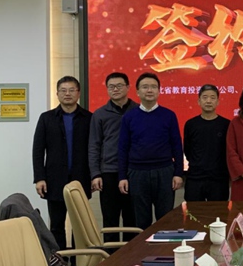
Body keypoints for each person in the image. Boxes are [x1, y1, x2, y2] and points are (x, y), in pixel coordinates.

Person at [32, 75, 92, 250]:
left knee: (80, 226)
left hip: (81, 178)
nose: (67, 94)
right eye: (63, 90)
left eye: (72, 90)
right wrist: (39, 178)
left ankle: (80, 261)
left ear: (78, 93)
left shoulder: (89, 118)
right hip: (54, 179)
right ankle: (60, 261)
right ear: (57, 93)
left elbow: (95, 149)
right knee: (57, 225)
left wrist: (95, 175)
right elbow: (38, 150)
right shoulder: (47, 118)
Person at [118, 73, 184, 230]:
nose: (149, 90)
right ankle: (143, 247)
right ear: (137, 91)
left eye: (153, 87)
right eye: (145, 87)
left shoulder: (169, 115)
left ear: (159, 91)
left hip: (164, 172)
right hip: (137, 173)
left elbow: (177, 146)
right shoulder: (129, 117)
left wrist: (178, 173)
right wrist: (122, 177)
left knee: (166, 220)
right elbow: (123, 148)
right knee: (141, 222)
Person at [88, 72, 138, 241]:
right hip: (109, 173)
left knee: (132, 219)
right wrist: (95, 174)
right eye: (111, 87)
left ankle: (132, 254)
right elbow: (94, 145)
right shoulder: (100, 114)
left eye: (119, 86)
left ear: (128, 87)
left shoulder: (138, 111)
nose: (115, 89)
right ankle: (111, 255)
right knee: (110, 220)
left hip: (133, 172)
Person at [183, 84, 230, 201]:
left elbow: (229, 152)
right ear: (199, 101)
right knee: (194, 212)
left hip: (219, 179)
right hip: (195, 178)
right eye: (205, 97)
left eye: (212, 98)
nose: (208, 101)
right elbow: (188, 150)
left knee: (218, 212)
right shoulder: (191, 124)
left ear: (218, 102)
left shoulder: (226, 125)